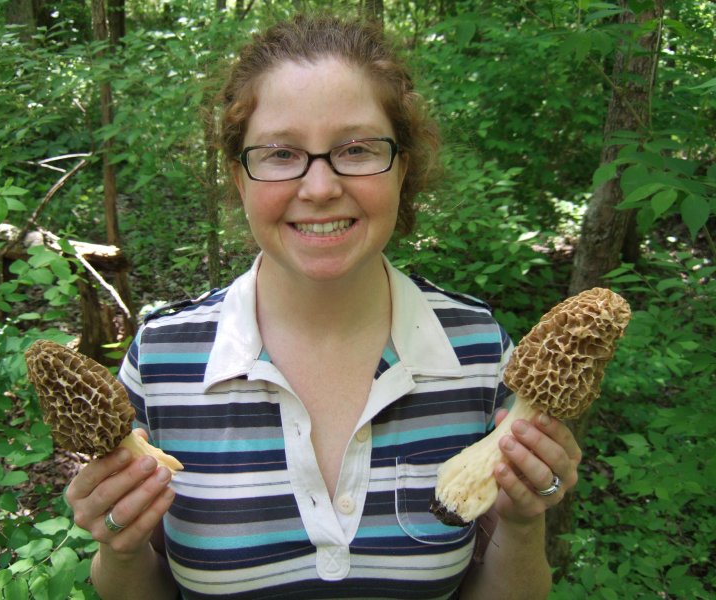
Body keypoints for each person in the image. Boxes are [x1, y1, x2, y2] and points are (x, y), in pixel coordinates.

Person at [65, 14, 582, 600]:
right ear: (240, 178)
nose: (319, 188)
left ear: (402, 167)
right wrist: (120, 547)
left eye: (356, 149)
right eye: (281, 153)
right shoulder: (162, 359)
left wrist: (523, 524)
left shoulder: (478, 350)